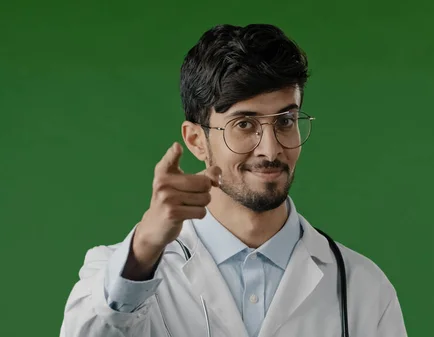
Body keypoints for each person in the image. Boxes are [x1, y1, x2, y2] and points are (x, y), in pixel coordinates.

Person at [60, 23, 408, 337]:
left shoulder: (361, 288)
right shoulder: (119, 272)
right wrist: (143, 249)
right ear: (196, 140)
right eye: (244, 124)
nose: (271, 149)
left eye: (286, 121)